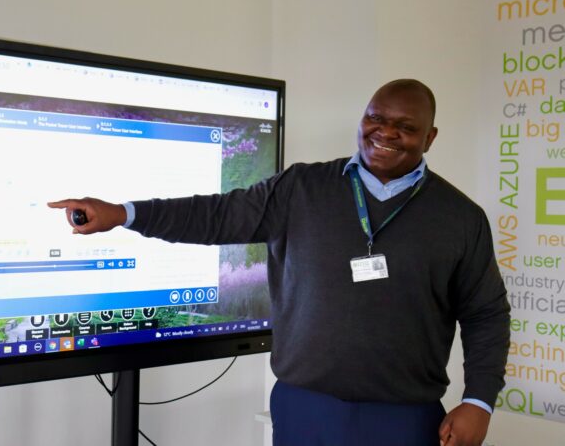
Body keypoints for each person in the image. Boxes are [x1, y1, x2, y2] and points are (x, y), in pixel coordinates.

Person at [48, 79, 510, 446]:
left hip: (403, 419)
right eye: (375, 117)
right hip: (302, 408)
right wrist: (125, 214)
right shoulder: (301, 189)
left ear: (429, 137)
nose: (385, 132)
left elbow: (486, 314)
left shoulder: (459, 217)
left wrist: (479, 402)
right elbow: (215, 214)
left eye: (405, 127)